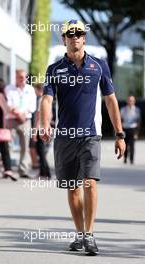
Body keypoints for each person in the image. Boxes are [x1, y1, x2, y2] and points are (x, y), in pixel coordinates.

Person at [40, 19, 126, 256]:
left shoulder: (98, 66)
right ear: (64, 38)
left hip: (91, 135)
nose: (75, 37)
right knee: (72, 188)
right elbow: (47, 100)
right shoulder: (54, 70)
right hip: (65, 137)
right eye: (70, 34)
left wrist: (120, 134)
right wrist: (44, 124)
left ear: (84, 37)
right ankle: (79, 234)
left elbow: (110, 100)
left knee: (89, 182)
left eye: (79, 33)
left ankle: (89, 235)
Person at [5, 69, 36, 178]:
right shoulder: (9, 88)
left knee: (25, 146)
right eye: (19, 77)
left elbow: (33, 106)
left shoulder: (30, 89)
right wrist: (18, 114)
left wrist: (24, 114)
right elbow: (8, 104)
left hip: (25, 121)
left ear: (26, 78)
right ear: (16, 77)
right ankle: (8, 169)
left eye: (23, 77)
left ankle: (23, 170)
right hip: (11, 120)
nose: (21, 79)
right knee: (8, 145)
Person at [33, 84, 51, 178]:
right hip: (47, 127)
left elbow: (37, 117)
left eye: (35, 90)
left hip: (41, 128)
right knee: (42, 152)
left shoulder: (41, 100)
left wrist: (35, 131)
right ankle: (45, 172)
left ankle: (44, 172)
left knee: (41, 152)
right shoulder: (49, 99)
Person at [121, 95, 141, 164]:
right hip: (125, 128)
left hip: (133, 129)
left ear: (134, 101)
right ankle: (125, 158)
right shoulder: (123, 109)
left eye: (132, 100)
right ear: (127, 101)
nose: (130, 102)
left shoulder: (137, 110)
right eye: (129, 100)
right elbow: (121, 120)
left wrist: (136, 133)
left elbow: (138, 121)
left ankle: (132, 159)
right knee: (125, 145)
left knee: (132, 145)